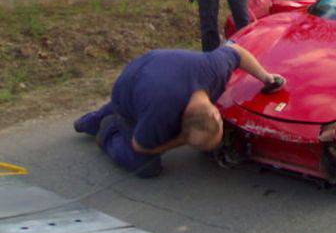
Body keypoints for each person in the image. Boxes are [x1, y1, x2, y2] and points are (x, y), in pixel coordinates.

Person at [74, 42, 285, 177]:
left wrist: (266, 77)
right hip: (129, 89)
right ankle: (107, 130)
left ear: (215, 112)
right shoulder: (161, 114)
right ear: (179, 123)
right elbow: (140, 146)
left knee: (143, 98)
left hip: (153, 67)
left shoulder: (215, 68)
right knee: (146, 167)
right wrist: (182, 140)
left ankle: (88, 121)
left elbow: (237, 51)